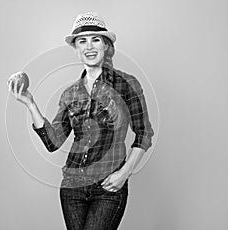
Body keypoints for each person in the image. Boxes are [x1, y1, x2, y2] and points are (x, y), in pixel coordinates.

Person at [8, 12, 154, 230]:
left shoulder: (127, 84)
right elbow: (53, 142)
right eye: (82, 41)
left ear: (106, 45)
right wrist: (30, 103)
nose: (89, 47)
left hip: (108, 187)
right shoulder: (70, 94)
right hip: (72, 188)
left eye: (95, 39)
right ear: (76, 48)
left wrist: (124, 173)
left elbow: (144, 134)